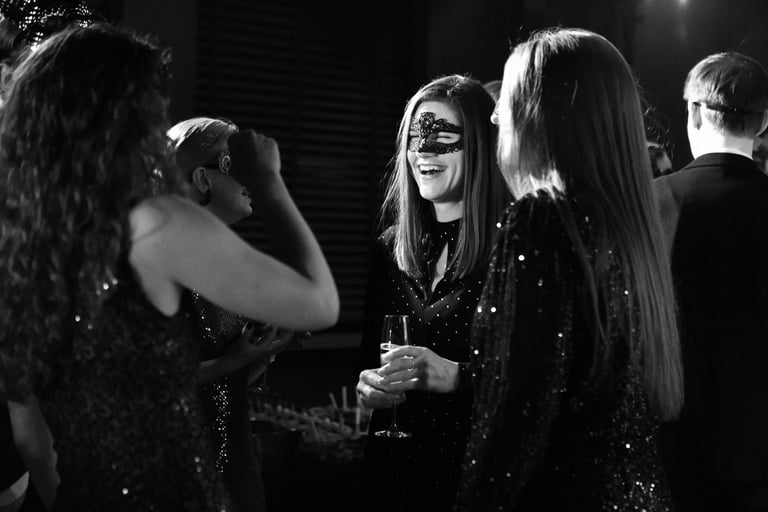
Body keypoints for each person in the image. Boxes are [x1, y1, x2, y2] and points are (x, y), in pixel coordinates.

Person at [0, 23, 338, 511]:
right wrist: (269, 182)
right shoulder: (156, 224)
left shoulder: (20, 246)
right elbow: (321, 304)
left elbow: (32, 440)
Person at [379, 28, 683, 511]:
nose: (495, 116)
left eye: (508, 101)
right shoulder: (629, 225)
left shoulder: (540, 220)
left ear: (543, 114)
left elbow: (515, 417)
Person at [355, 74, 510, 511]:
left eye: (442, 139)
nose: (424, 151)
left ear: (480, 146)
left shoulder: (513, 249)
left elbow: (536, 380)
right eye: (415, 139)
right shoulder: (391, 248)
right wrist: (369, 387)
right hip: (393, 474)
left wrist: (456, 376)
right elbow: (370, 360)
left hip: (474, 476)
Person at [655, 51, 768, 512]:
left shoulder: (652, 202)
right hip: (757, 452)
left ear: (695, 113)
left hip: (668, 441)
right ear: (763, 122)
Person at [167, 116, 298, 512]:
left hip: (235, 463)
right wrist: (234, 360)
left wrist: (267, 347)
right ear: (202, 179)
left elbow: (230, 382)